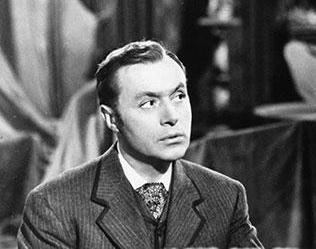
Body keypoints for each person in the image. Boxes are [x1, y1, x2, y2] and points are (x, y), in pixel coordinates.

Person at [17, 40, 263, 248]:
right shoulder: (54, 204)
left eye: (178, 96)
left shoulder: (226, 195)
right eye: (149, 103)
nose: (172, 117)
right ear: (112, 119)